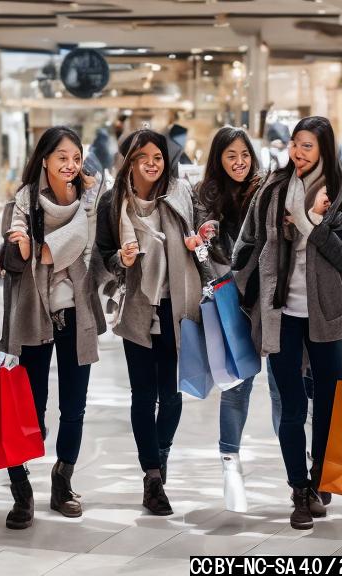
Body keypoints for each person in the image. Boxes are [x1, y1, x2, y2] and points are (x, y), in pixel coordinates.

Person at [0, 127, 106, 530]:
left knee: (73, 407)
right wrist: (17, 245)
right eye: (62, 157)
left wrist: (43, 250)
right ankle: (22, 490)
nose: (70, 165)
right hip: (31, 314)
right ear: (44, 159)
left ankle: (63, 482)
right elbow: (12, 261)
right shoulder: (21, 204)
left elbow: (92, 252)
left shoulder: (90, 203)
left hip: (77, 313)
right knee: (28, 411)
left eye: (76, 157)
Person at [232, 116, 342, 530]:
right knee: (291, 405)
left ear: (324, 149)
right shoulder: (272, 190)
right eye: (295, 144)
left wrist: (312, 224)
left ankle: (320, 476)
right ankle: (299, 491)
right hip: (281, 313)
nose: (298, 153)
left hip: (328, 315)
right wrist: (244, 286)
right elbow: (247, 244)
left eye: (308, 146)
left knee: (327, 404)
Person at [94, 128, 204, 516]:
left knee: (171, 392)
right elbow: (102, 255)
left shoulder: (180, 193)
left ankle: (161, 456)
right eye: (144, 157)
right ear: (130, 161)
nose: (152, 164)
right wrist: (118, 261)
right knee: (142, 394)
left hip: (177, 305)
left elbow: (204, 238)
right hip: (138, 306)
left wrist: (200, 240)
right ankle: (152, 475)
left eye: (158, 156)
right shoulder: (113, 202)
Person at [193, 127, 282, 511]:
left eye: (244, 154)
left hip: (268, 299)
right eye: (231, 155)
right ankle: (230, 461)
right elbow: (199, 252)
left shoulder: (265, 191)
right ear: (219, 158)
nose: (239, 162)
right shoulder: (205, 197)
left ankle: (302, 474)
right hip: (231, 301)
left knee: (283, 387)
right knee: (237, 384)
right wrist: (203, 240)